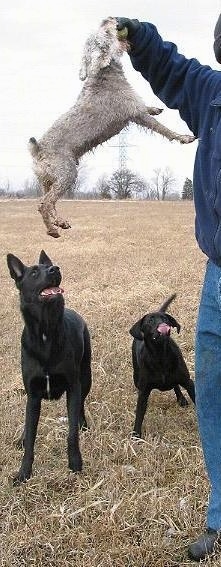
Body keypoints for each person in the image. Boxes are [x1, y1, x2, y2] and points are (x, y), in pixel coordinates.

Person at [115, 13, 221, 562]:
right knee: (211, 395)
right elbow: (170, 69)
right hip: (218, 277)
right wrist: (137, 36)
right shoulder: (211, 92)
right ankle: (219, 513)